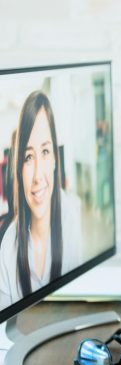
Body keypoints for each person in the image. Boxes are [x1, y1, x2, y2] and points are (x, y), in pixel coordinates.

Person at [0, 90, 81, 309]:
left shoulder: (71, 214)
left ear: (55, 157)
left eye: (45, 152)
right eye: (28, 157)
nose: (37, 176)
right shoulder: (8, 249)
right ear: (18, 169)